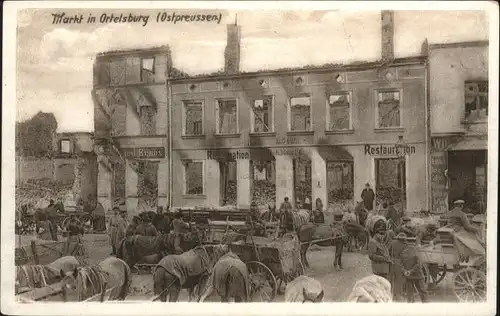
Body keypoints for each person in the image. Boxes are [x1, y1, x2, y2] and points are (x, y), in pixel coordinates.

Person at [401, 237, 428, 303]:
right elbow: (419, 264)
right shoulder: (417, 252)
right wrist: (411, 271)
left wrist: (405, 271)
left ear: (407, 242)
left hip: (408, 276)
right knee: (423, 292)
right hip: (417, 276)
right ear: (414, 243)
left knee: (409, 294)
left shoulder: (403, 251)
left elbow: (401, 264)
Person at [388, 232, 408, 301]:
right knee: (399, 280)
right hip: (399, 263)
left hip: (391, 262)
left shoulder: (392, 243)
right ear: (404, 239)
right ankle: (398, 295)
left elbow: (388, 251)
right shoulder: (405, 245)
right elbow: (405, 256)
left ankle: (389, 294)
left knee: (390, 279)